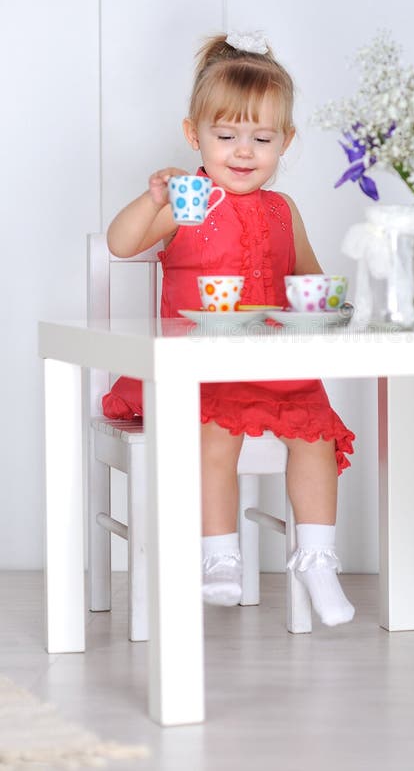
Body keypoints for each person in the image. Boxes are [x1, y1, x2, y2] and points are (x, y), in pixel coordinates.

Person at [103, 31, 355, 627]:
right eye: (225, 136)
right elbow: (120, 244)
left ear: (284, 142)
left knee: (316, 436)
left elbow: (307, 276)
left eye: (261, 139)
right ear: (194, 135)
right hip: (194, 370)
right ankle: (217, 556)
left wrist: (325, 301)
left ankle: (317, 557)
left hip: (272, 369)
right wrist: (152, 200)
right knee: (216, 433)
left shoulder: (282, 209)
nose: (243, 152)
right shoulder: (189, 200)